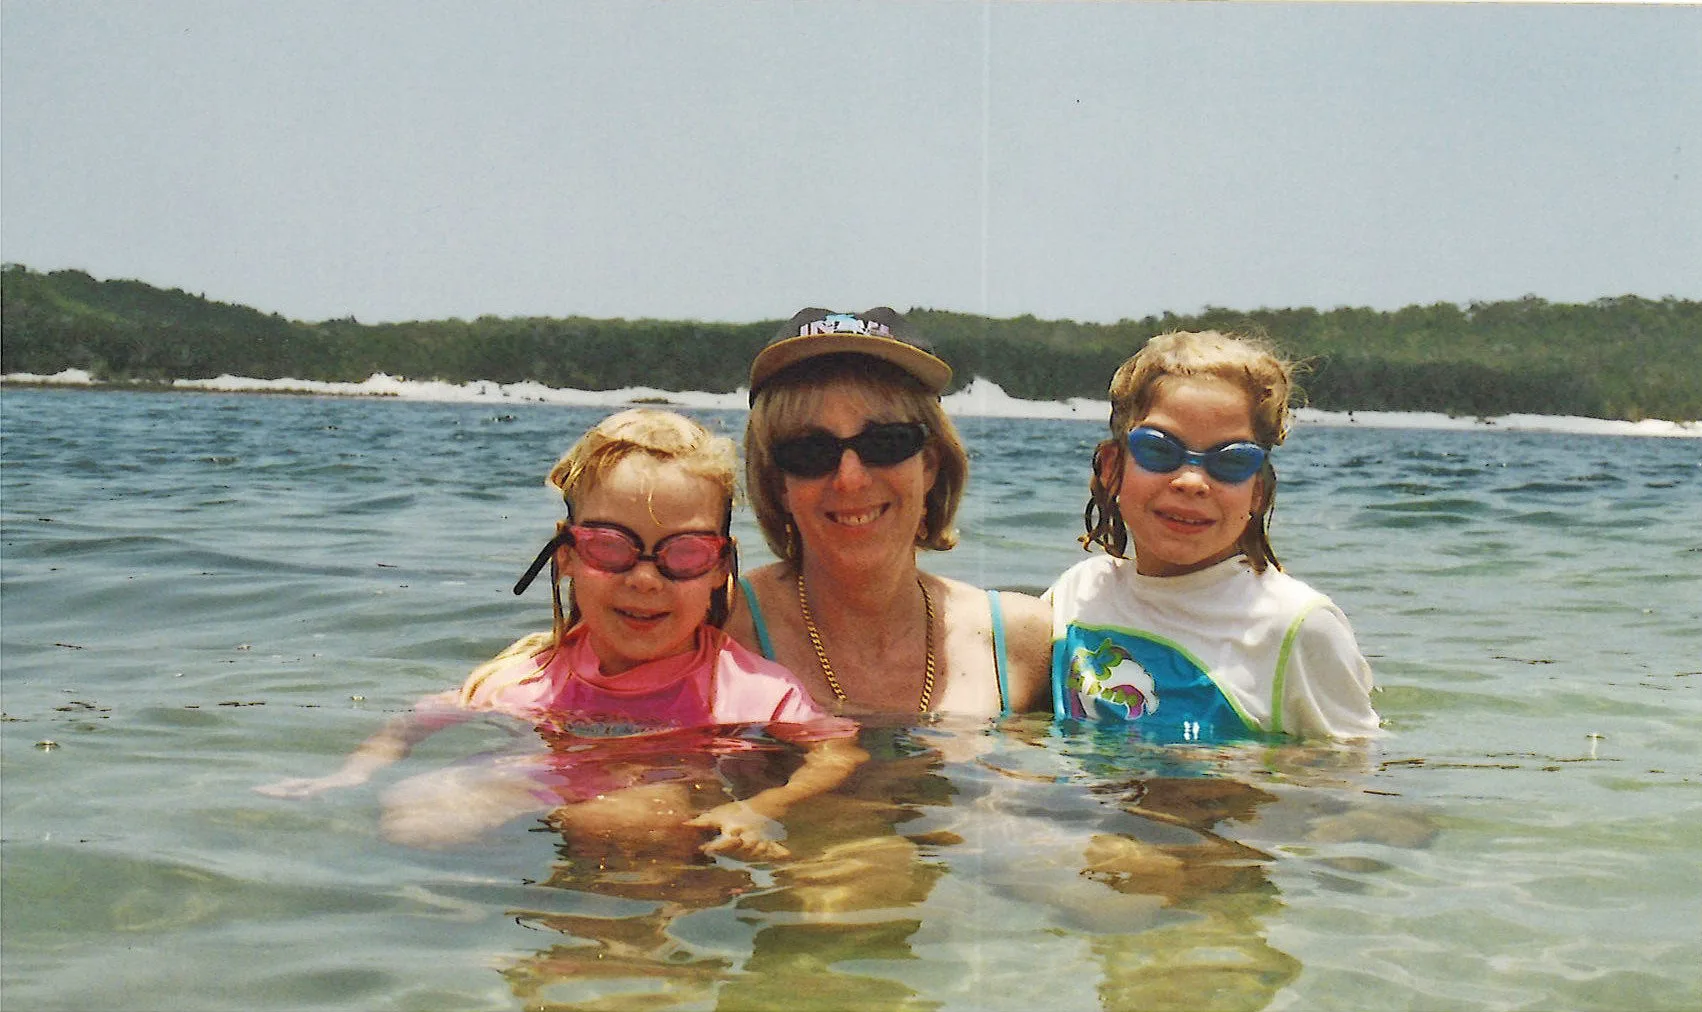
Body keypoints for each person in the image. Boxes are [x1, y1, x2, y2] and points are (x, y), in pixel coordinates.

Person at [258, 408, 866, 858]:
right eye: (610, 547)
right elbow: (415, 722)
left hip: (679, 815)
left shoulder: (752, 691)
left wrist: (759, 809)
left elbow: (835, 754)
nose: (645, 579)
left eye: (682, 553)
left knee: (631, 818)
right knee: (416, 815)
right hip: (551, 792)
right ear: (566, 556)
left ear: (719, 567)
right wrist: (349, 777)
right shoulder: (527, 679)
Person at [1044, 330, 1380, 740]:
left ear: (1257, 490)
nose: (1191, 481)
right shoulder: (1075, 595)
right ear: (1113, 468)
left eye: (1231, 460)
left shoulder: (1297, 627)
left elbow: (1345, 781)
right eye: (1159, 450)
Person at [726, 307, 1052, 717]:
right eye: (810, 451)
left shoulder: (1023, 642)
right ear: (778, 485)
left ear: (931, 464)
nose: (850, 479)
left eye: (886, 443)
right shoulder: (720, 631)